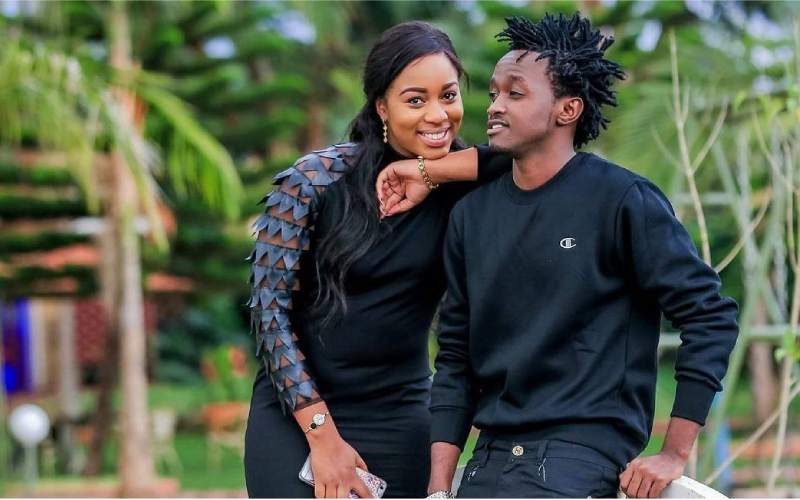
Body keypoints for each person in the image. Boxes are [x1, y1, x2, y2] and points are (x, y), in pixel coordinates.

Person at [376, 13, 739, 499]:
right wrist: (440, 487)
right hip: (487, 463)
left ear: (567, 110)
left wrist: (673, 452)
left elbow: (710, 316)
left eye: (515, 93)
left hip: (579, 459)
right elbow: (456, 359)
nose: (495, 106)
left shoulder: (621, 201)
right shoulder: (472, 215)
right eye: (494, 93)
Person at [243, 21, 506, 499]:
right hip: (298, 413)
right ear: (382, 106)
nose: (438, 115)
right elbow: (269, 315)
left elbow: (536, 155)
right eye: (415, 100)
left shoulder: (466, 189)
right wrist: (323, 438)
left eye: (448, 95)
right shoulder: (313, 181)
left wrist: (433, 171)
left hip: (400, 415)